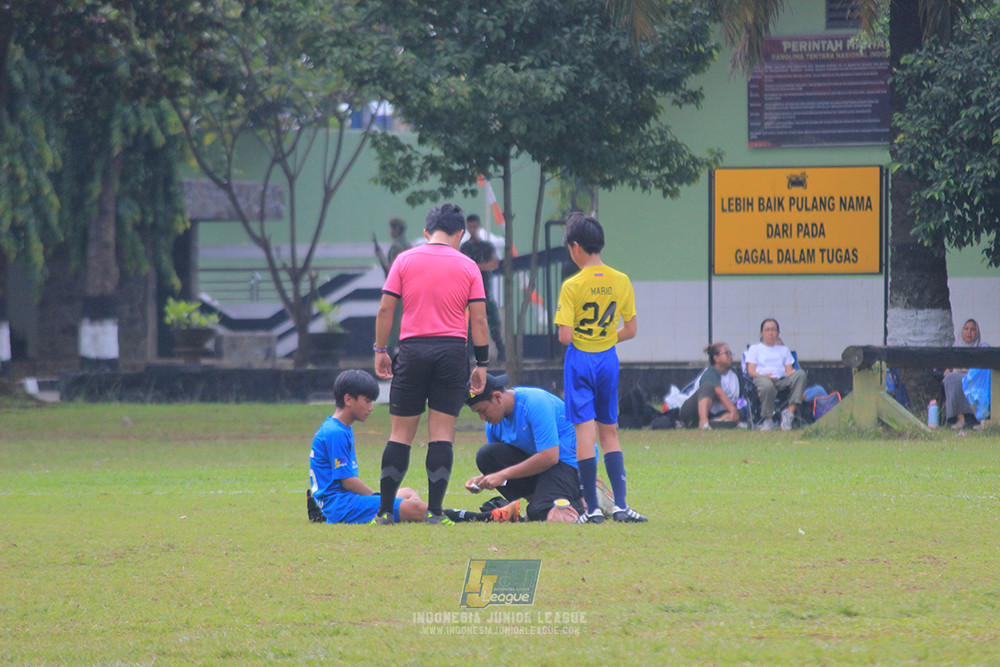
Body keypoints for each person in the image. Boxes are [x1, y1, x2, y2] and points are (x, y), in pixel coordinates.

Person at [373, 203, 490, 525]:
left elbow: (385, 310)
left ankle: (385, 512)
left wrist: (380, 349)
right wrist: (481, 363)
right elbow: (479, 320)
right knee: (441, 433)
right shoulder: (469, 266)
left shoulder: (404, 260)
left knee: (400, 434)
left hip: (412, 350)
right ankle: (436, 513)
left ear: (427, 232)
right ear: (460, 233)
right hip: (452, 353)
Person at [308, 370, 516, 524]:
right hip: (342, 506)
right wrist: (379, 500)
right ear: (348, 399)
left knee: (408, 492)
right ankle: (487, 517)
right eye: (367, 401)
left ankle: (412, 514)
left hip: (344, 502)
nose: (371, 408)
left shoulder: (338, 428)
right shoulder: (336, 432)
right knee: (416, 508)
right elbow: (348, 481)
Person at [554, 213, 646, 524]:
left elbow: (565, 336)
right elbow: (631, 330)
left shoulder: (572, 285)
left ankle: (592, 509)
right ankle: (620, 505)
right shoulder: (621, 280)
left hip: (580, 359)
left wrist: (588, 338)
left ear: (575, 247)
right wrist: (605, 338)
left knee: (585, 432)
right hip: (607, 359)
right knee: (609, 432)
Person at [464, 373, 586, 521]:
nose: (482, 418)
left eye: (482, 410)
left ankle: (590, 499)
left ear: (497, 397)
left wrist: (503, 475)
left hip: (569, 462)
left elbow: (550, 457)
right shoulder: (493, 424)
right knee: (486, 455)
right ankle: (539, 500)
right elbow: (500, 466)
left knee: (539, 512)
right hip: (542, 466)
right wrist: (483, 479)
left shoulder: (535, 403)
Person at [745, 318, 807, 431]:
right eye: (767, 330)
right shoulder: (755, 349)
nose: (771, 333)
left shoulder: (784, 350)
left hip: (781, 379)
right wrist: (767, 376)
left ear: (778, 333)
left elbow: (788, 371)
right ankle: (768, 420)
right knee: (767, 385)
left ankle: (789, 414)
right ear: (762, 333)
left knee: (801, 374)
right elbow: (751, 372)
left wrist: (794, 375)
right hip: (762, 378)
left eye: (774, 330)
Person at [460, 214, 506, 361]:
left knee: (493, 323)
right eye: (470, 227)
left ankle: (501, 350)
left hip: (484, 292)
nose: (473, 229)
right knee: (468, 325)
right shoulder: (465, 248)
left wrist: (476, 267)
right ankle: (468, 355)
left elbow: (494, 263)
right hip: (468, 293)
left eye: (474, 226)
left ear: (478, 226)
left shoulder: (486, 247)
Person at [680, 342, 741, 430]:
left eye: (731, 353)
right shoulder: (710, 372)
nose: (730, 356)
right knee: (708, 386)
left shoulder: (733, 373)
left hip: (714, 413)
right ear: (716, 358)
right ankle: (703, 421)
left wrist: (734, 413)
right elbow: (719, 392)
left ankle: (714, 422)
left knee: (738, 413)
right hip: (692, 411)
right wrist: (732, 410)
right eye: (727, 353)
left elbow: (733, 400)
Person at [943, 318, 988, 430]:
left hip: (974, 379)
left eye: (973, 329)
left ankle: (979, 419)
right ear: (961, 331)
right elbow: (948, 368)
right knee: (951, 378)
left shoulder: (981, 349)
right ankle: (960, 419)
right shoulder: (955, 349)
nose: (969, 332)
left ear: (977, 332)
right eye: (966, 329)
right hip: (958, 376)